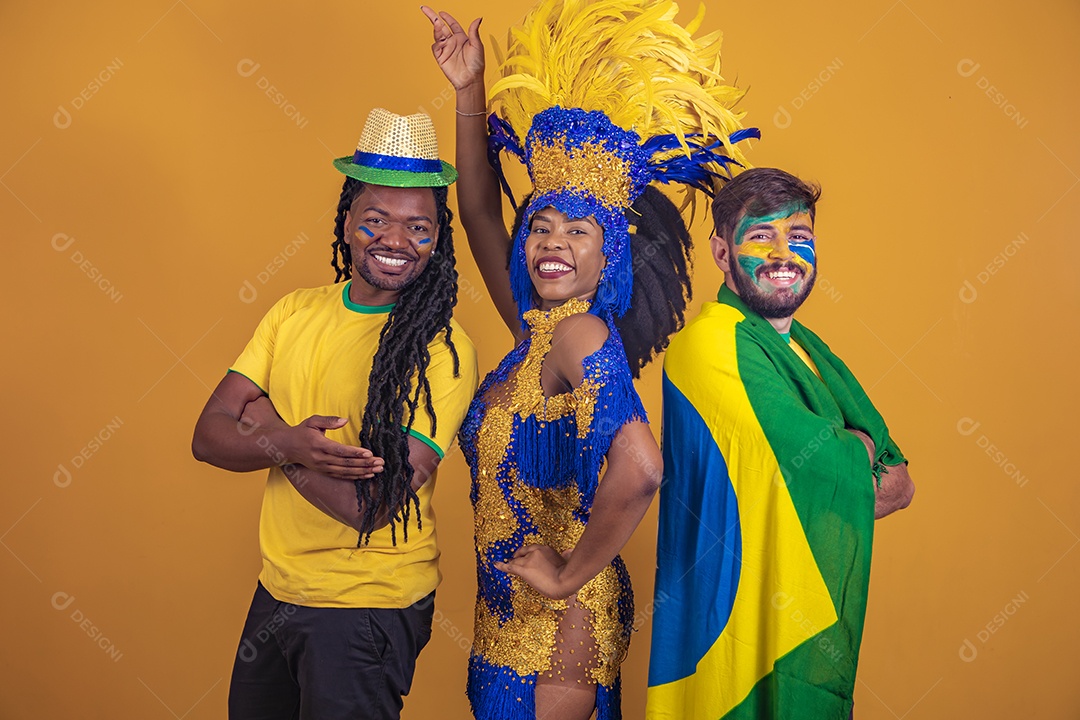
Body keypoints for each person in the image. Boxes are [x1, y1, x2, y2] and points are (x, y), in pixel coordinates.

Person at [423, 2, 757, 718]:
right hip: (505, 623)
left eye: (578, 231)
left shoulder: (582, 337)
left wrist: (565, 574)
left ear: (609, 257)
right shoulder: (537, 334)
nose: (551, 241)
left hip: (557, 629)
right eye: (540, 226)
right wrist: (468, 91)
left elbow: (641, 467)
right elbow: (481, 212)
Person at [191, 108, 478, 720]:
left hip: (365, 608)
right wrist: (292, 444)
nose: (396, 241)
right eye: (376, 219)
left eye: (419, 228)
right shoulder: (295, 311)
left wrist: (271, 435)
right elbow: (208, 434)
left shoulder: (442, 348)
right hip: (278, 591)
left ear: (437, 239)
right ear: (347, 222)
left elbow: (369, 509)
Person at [646, 168, 915, 719]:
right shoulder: (711, 346)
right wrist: (858, 449)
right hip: (732, 636)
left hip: (791, 618)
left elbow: (899, 482)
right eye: (760, 236)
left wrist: (855, 452)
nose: (784, 254)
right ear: (722, 253)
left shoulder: (810, 354)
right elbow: (825, 472)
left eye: (799, 237)